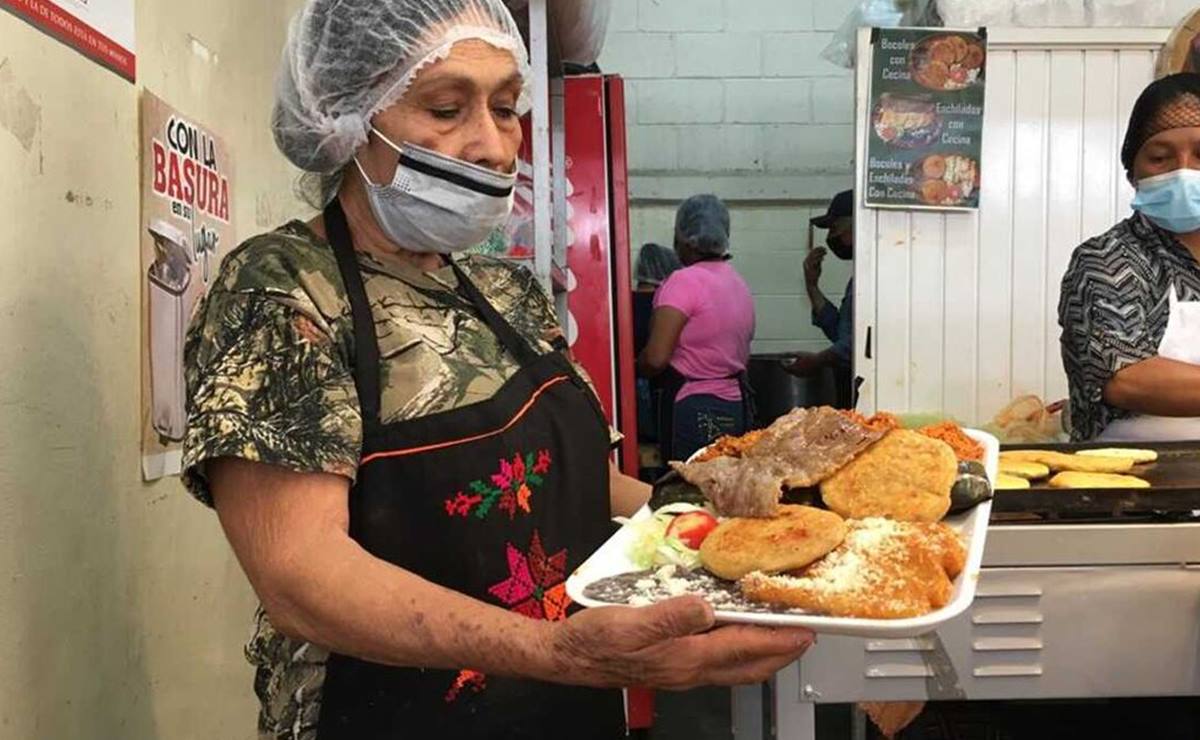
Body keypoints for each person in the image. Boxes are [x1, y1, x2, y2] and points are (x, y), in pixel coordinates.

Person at [181, 2, 812, 738]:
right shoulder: (284, 291)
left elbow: (577, 482)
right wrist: (557, 652)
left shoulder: (502, 289)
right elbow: (300, 575)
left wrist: (739, 529)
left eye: (508, 107)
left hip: (563, 704)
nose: (491, 144)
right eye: (447, 108)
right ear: (348, 120)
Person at [1059, 73, 1200, 442]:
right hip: (1136, 488)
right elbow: (1126, 378)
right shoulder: (1107, 259)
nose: (1184, 171)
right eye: (1159, 157)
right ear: (1132, 173)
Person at [638, 195, 756, 463]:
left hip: (694, 408)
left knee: (689, 493)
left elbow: (656, 359)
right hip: (736, 404)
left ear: (683, 237)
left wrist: (634, 369)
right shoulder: (737, 282)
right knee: (725, 489)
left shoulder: (683, 282)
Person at [786, 189, 855, 409]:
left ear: (857, 223)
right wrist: (812, 285)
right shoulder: (859, 278)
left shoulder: (879, 276)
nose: (831, 238)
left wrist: (818, 361)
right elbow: (840, 333)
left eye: (835, 228)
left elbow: (857, 344)